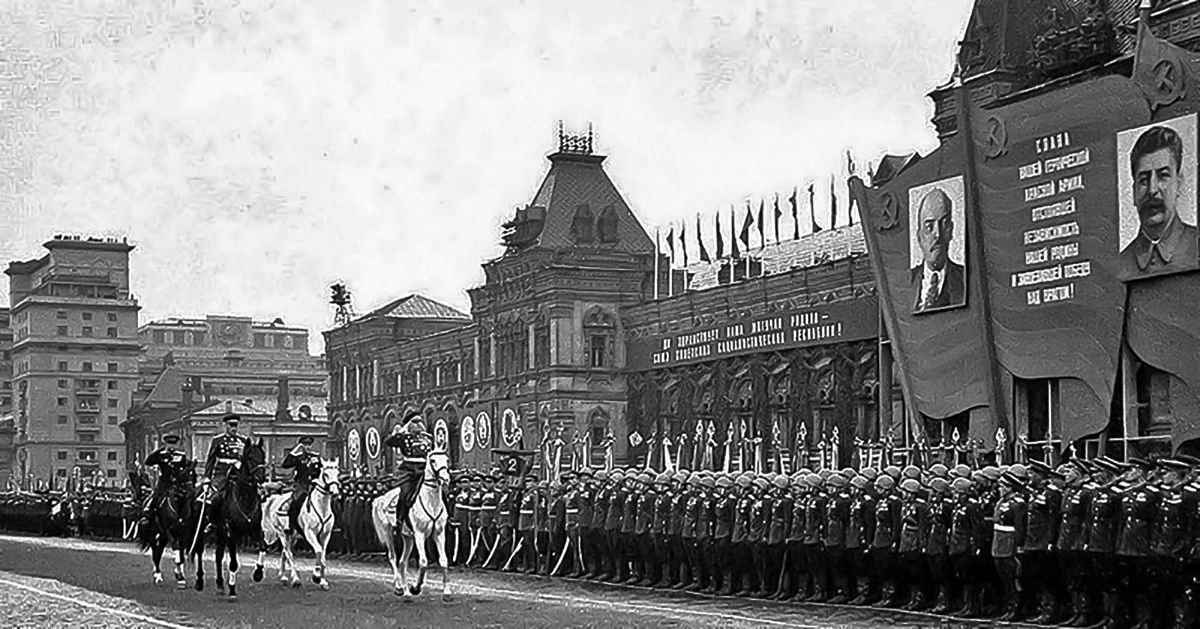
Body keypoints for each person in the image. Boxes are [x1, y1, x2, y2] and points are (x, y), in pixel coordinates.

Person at [1120, 125, 1199, 278]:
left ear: (1179, 184)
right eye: (1144, 180)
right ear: (1134, 191)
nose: (1152, 189)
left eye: (1163, 176)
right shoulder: (1121, 263)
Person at [911, 188, 966, 313]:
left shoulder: (966, 279)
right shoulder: (903, 283)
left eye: (944, 224)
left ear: (951, 230)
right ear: (919, 237)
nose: (937, 234)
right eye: (929, 227)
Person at [384, 411, 434, 532]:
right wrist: (401, 431)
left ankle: (448, 518)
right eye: (415, 422)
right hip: (409, 470)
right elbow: (389, 442)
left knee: (440, 490)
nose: (419, 424)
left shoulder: (427, 437)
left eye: (420, 421)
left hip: (425, 468)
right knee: (404, 493)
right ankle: (399, 519)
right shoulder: (404, 438)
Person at [139, 434, 194, 528]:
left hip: (178, 484)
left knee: (189, 499)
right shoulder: (161, 455)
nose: (172, 446)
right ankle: (147, 516)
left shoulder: (181, 455)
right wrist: (160, 450)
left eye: (174, 444)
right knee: (154, 498)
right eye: (169, 443)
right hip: (164, 484)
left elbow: (184, 468)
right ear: (166, 444)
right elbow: (148, 461)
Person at [203, 413, 252, 505]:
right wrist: (207, 477)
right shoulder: (218, 440)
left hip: (239, 473)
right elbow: (211, 459)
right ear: (225, 425)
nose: (234, 428)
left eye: (235, 425)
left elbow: (248, 459)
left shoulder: (244, 440)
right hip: (222, 473)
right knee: (214, 496)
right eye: (231, 425)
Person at [281, 435, 322, 535]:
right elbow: (285, 465)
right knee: (295, 503)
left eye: (309, 445)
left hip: (315, 486)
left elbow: (321, 470)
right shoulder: (298, 458)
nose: (307, 447)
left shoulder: (315, 457)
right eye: (304, 445)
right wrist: (294, 452)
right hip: (302, 486)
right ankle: (292, 526)